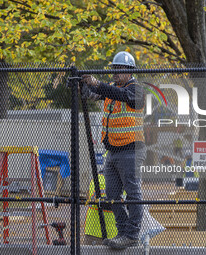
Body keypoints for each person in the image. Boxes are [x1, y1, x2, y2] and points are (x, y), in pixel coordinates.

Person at [81, 51, 146, 249]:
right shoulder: (112, 90)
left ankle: (132, 233)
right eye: (114, 69)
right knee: (112, 194)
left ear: (130, 71)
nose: (116, 73)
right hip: (113, 151)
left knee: (133, 193)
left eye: (120, 69)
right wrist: (82, 85)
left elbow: (121, 95)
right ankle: (122, 233)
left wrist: (98, 83)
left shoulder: (136, 89)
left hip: (131, 150)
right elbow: (92, 95)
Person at [84, 169, 119, 245]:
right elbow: (96, 199)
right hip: (96, 233)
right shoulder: (99, 178)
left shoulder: (124, 179)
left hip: (113, 234)